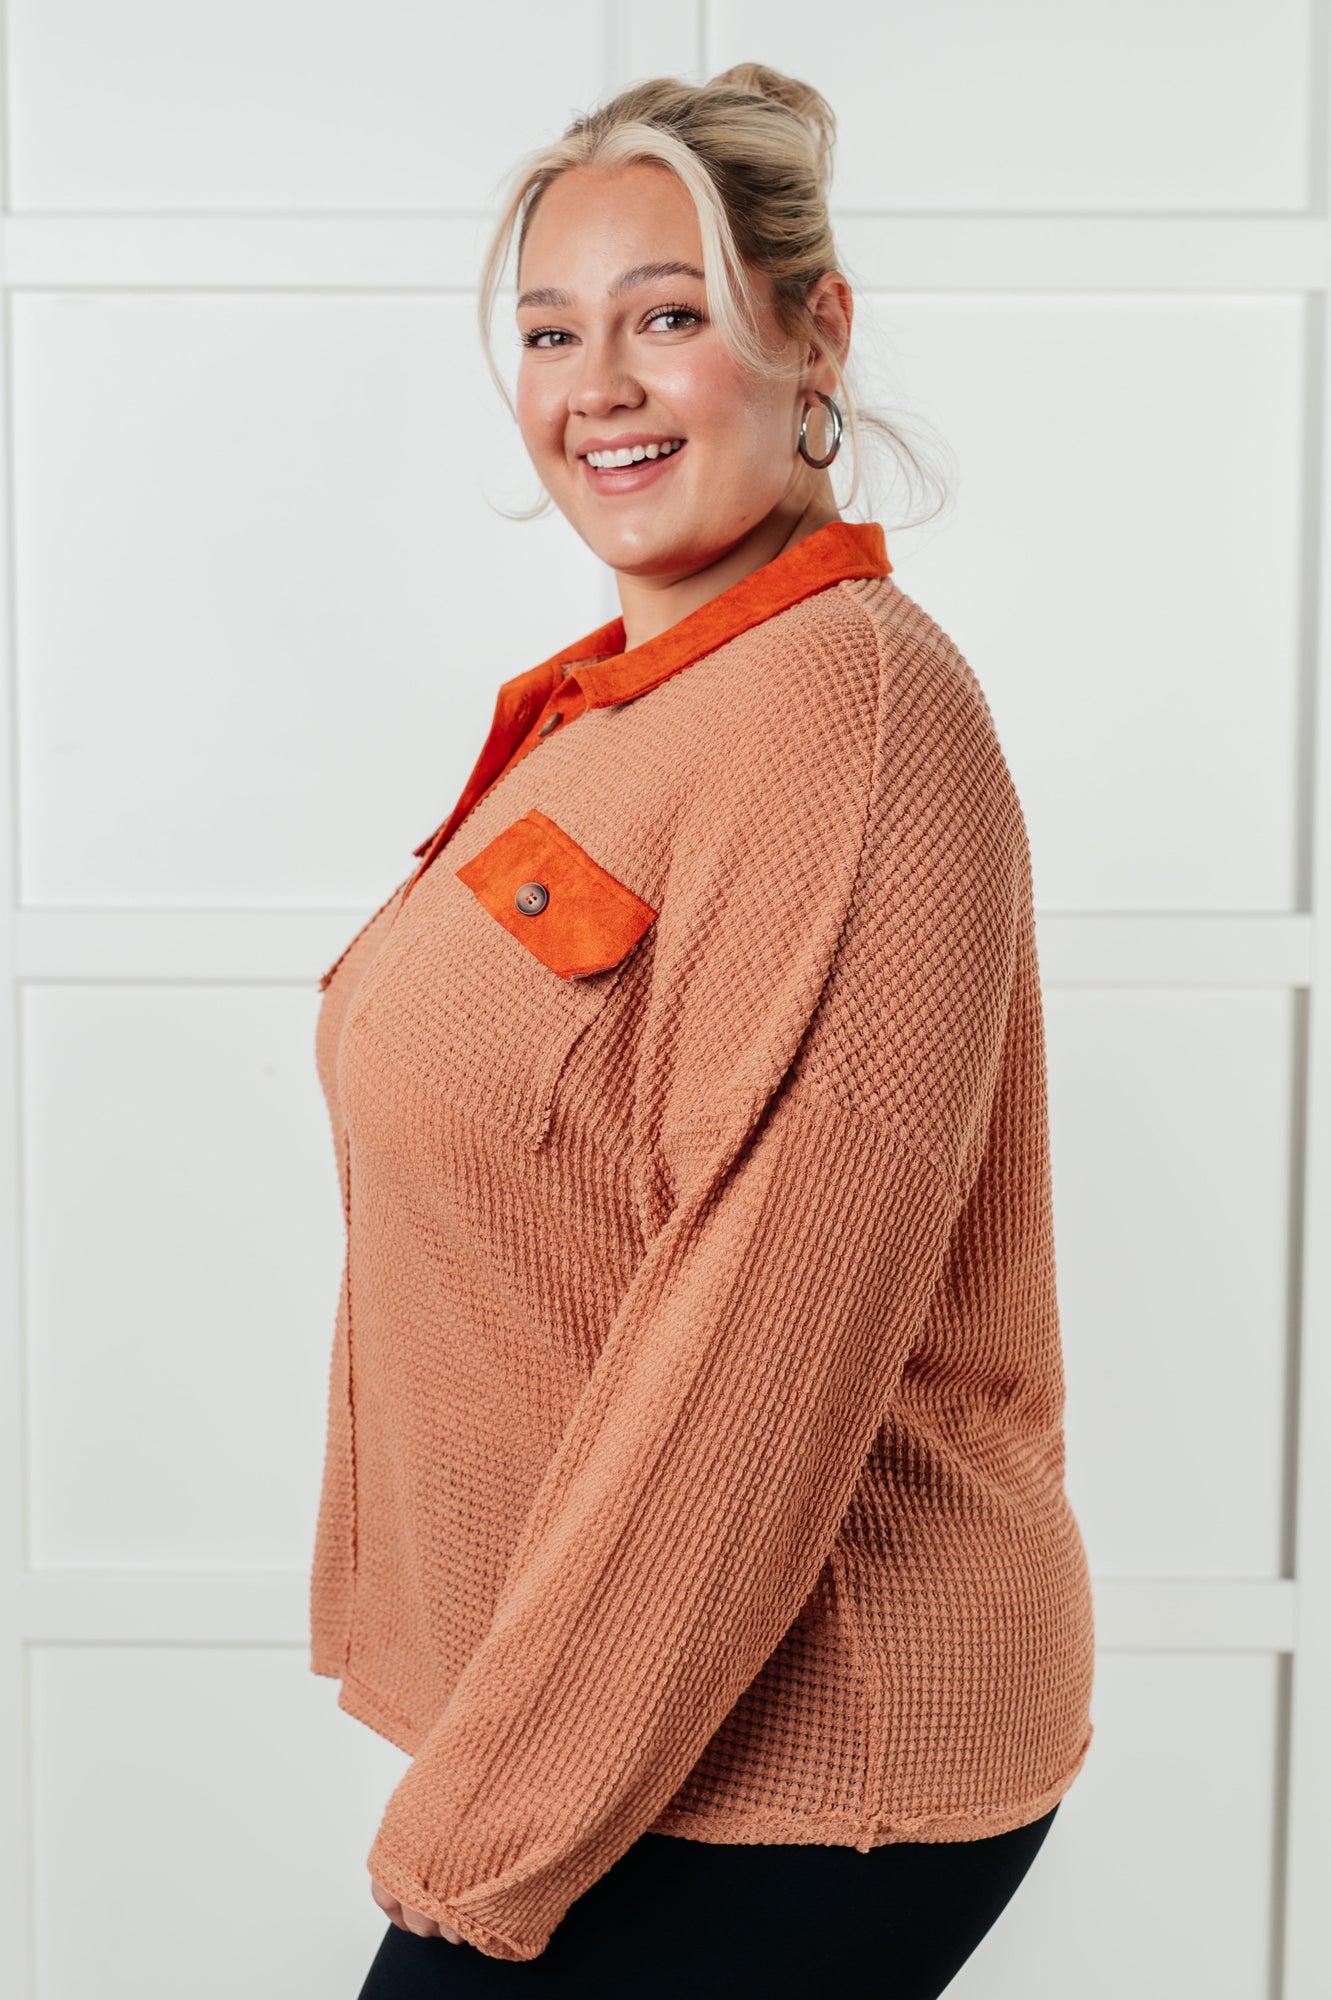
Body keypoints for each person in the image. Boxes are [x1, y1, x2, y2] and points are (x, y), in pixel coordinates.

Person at [309, 63, 1097, 1999]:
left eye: (667, 316)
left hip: (790, 1764)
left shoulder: (846, 711)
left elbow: (761, 1342)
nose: (599, 386)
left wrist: (485, 1839)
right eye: (550, 332)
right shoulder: (632, 707)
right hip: (628, 1733)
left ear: (816, 337)